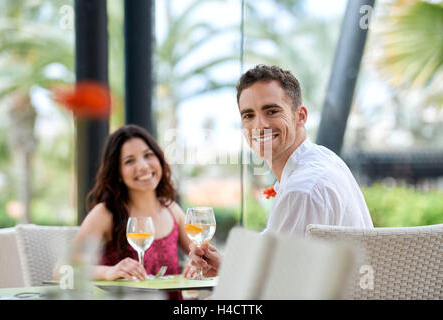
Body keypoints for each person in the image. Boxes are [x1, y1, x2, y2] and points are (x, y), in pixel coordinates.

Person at [187, 64, 374, 278]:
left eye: (272, 111)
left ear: (301, 116)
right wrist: (226, 264)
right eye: (248, 115)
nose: (259, 125)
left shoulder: (301, 189)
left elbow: (279, 286)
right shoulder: (324, 159)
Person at [54, 124, 194, 286]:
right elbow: (61, 271)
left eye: (148, 155)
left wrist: (196, 266)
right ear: (118, 173)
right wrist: (108, 271)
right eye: (129, 161)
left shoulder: (172, 210)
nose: (142, 166)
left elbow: (205, 259)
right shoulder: (106, 213)